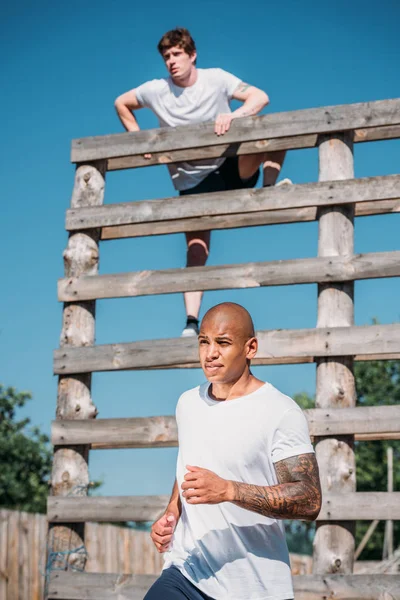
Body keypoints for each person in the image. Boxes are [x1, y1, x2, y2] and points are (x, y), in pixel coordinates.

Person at [115, 29, 290, 338]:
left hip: (229, 166)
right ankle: (191, 322)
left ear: (192, 55)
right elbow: (122, 103)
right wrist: (139, 139)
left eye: (177, 54)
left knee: (274, 132)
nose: (171, 61)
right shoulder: (157, 90)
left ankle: (270, 189)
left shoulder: (216, 79)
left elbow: (260, 97)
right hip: (192, 182)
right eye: (166, 56)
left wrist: (236, 116)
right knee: (197, 250)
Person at [144, 302, 322, 600]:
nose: (210, 353)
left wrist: (229, 490)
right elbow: (189, 464)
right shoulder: (188, 403)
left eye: (222, 343)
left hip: (256, 586)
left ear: (250, 348)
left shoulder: (280, 411)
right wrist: (172, 512)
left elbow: (309, 500)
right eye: (204, 341)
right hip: (187, 572)